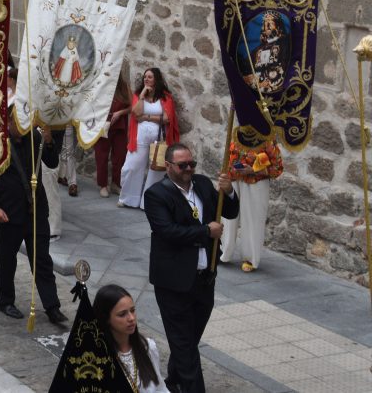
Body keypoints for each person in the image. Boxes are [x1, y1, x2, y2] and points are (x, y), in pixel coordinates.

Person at [144, 142, 238, 393]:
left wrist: (228, 192)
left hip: (204, 280)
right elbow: (168, 232)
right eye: (182, 165)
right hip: (173, 283)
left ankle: (174, 381)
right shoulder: (156, 195)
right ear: (169, 165)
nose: (188, 169)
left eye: (192, 164)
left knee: (188, 339)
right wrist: (206, 231)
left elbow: (229, 210)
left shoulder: (204, 185)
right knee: (184, 345)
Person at [0, 112, 68, 324]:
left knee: (42, 262)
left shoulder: (35, 138)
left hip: (36, 212)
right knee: (7, 261)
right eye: (17, 123)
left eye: (24, 123)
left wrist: (48, 142)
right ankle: (6, 301)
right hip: (9, 214)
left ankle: (52, 306)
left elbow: (52, 160)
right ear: (8, 122)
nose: (22, 127)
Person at [120, 67, 180, 209]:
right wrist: (142, 96)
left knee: (156, 171)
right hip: (139, 138)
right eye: (145, 77)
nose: (146, 79)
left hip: (158, 139)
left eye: (150, 77)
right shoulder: (138, 95)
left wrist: (146, 117)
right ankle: (128, 199)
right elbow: (136, 113)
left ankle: (147, 203)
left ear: (156, 79)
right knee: (131, 167)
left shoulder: (166, 97)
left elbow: (166, 118)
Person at [220, 141, 283, 273]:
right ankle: (222, 251)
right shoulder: (237, 136)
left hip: (256, 182)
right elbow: (228, 158)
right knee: (227, 217)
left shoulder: (268, 142)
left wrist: (254, 169)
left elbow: (277, 168)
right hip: (234, 179)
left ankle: (250, 258)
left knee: (252, 220)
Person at [94, 284, 169, 393]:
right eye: (122, 314)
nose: (131, 318)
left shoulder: (147, 347)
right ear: (106, 318)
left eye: (133, 310)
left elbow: (160, 389)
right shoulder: (96, 358)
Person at [94, 66, 132, 198]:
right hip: (103, 126)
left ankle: (116, 183)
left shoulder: (124, 87)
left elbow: (132, 107)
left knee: (120, 156)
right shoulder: (100, 85)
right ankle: (103, 185)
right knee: (101, 156)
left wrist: (120, 112)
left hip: (120, 126)